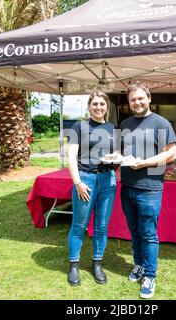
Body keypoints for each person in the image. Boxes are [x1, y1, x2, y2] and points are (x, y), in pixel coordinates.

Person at [119, 82, 176, 298]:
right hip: (127, 187)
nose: (137, 102)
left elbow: (171, 154)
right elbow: (123, 152)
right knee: (134, 232)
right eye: (133, 99)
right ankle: (139, 265)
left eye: (140, 98)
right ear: (129, 103)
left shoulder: (161, 124)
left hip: (150, 189)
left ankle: (150, 276)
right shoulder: (125, 123)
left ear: (149, 98)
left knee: (149, 234)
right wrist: (116, 158)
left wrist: (143, 163)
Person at [65, 91, 117, 286]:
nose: (98, 107)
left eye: (102, 104)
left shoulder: (112, 127)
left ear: (107, 107)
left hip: (107, 180)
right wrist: (78, 183)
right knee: (79, 225)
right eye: (95, 104)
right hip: (85, 179)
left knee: (102, 226)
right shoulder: (80, 126)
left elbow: (114, 152)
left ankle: (97, 263)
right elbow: (70, 156)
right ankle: (74, 265)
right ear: (89, 107)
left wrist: (115, 156)